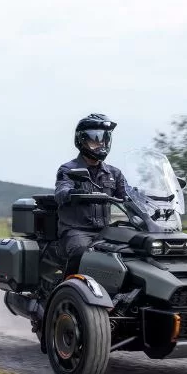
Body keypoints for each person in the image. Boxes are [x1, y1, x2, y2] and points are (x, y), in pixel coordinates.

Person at [54, 113, 128, 276]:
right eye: (95, 139)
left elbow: (128, 195)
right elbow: (61, 191)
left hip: (105, 231)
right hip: (77, 231)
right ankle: (69, 291)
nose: (100, 144)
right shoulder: (68, 170)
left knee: (132, 252)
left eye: (103, 139)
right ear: (82, 140)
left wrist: (150, 197)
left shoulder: (114, 173)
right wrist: (73, 193)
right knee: (82, 253)